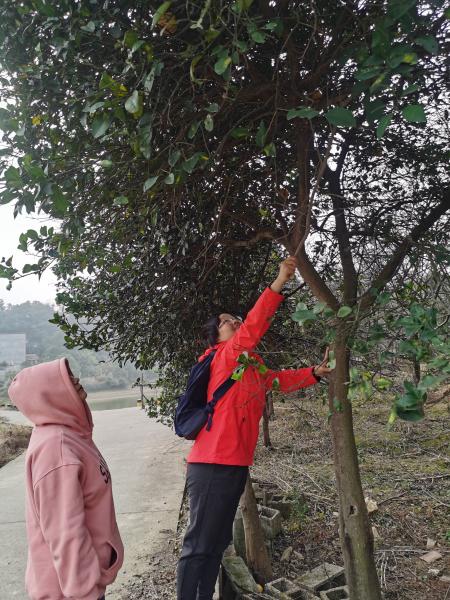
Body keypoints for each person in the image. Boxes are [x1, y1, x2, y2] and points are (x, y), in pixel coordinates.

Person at [176, 256, 333, 600]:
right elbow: (254, 326)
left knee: (217, 542)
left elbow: (276, 380)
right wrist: (280, 281)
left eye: (235, 318)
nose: (234, 321)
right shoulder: (224, 356)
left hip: (234, 463)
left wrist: (313, 374)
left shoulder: (249, 365)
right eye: (226, 321)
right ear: (216, 336)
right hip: (212, 463)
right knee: (198, 544)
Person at [8, 357, 124, 600]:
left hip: (77, 585)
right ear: (48, 393)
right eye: (65, 378)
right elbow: (65, 533)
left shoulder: (72, 436)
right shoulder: (57, 448)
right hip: (70, 592)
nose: (75, 379)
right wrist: (86, 592)